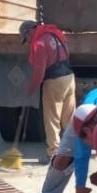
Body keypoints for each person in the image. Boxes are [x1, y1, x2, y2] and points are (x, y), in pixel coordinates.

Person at [21, 20, 76, 164]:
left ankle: (53, 154)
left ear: (30, 31)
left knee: (52, 119)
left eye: (27, 38)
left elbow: (39, 73)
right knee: (69, 118)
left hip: (54, 82)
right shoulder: (57, 36)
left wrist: (30, 90)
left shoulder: (40, 44)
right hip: (69, 78)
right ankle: (73, 151)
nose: (28, 41)